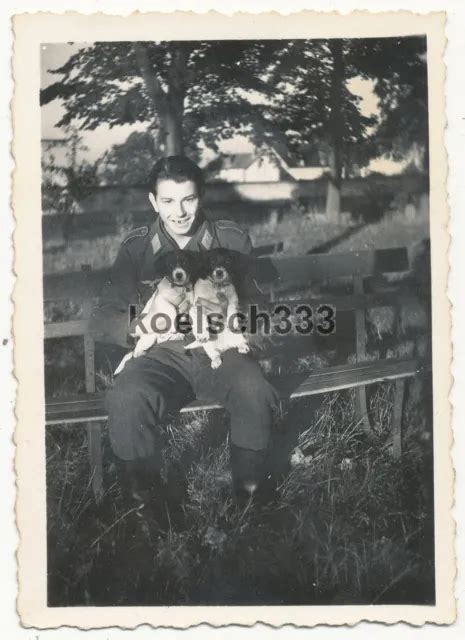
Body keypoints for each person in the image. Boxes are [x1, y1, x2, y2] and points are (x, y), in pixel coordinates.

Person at [89, 156, 279, 521]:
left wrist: (240, 334)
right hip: (162, 353)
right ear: (153, 202)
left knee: (252, 387)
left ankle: (251, 508)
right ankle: (149, 515)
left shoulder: (230, 240)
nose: (179, 212)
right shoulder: (136, 248)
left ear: (201, 196)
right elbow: (102, 318)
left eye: (188, 199)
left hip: (219, 351)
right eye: (168, 201)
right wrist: (145, 325)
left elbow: (260, 310)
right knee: (127, 396)